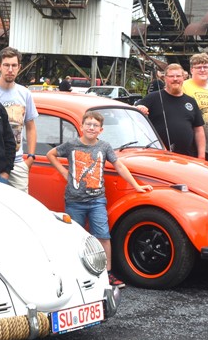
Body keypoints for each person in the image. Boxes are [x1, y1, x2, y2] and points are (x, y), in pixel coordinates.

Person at [47, 110, 152, 287]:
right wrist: (64, 172)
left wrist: (137, 186)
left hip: (97, 200)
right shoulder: (72, 145)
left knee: (103, 236)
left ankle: (107, 273)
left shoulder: (104, 147)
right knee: (74, 237)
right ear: (81, 127)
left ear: (101, 130)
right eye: (88, 124)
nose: (91, 127)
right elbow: (51, 154)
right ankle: (75, 273)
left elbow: (119, 165)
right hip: (74, 200)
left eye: (95, 125)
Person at [0, 47, 38, 192]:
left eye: (14, 65)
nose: (10, 69)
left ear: (19, 67)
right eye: (6, 65)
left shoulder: (25, 93)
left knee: (20, 206)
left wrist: (31, 158)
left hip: (18, 162)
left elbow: (31, 126)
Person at [136, 64, 205, 159]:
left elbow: (199, 130)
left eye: (178, 76)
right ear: (165, 78)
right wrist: (140, 108)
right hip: (159, 157)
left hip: (187, 158)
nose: (175, 79)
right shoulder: (153, 97)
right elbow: (136, 109)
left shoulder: (191, 101)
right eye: (171, 76)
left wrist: (201, 156)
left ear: (183, 78)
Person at [182, 53, 208, 164]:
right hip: (192, 146)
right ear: (191, 70)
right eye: (198, 67)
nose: (202, 70)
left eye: (206, 67)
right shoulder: (184, 86)